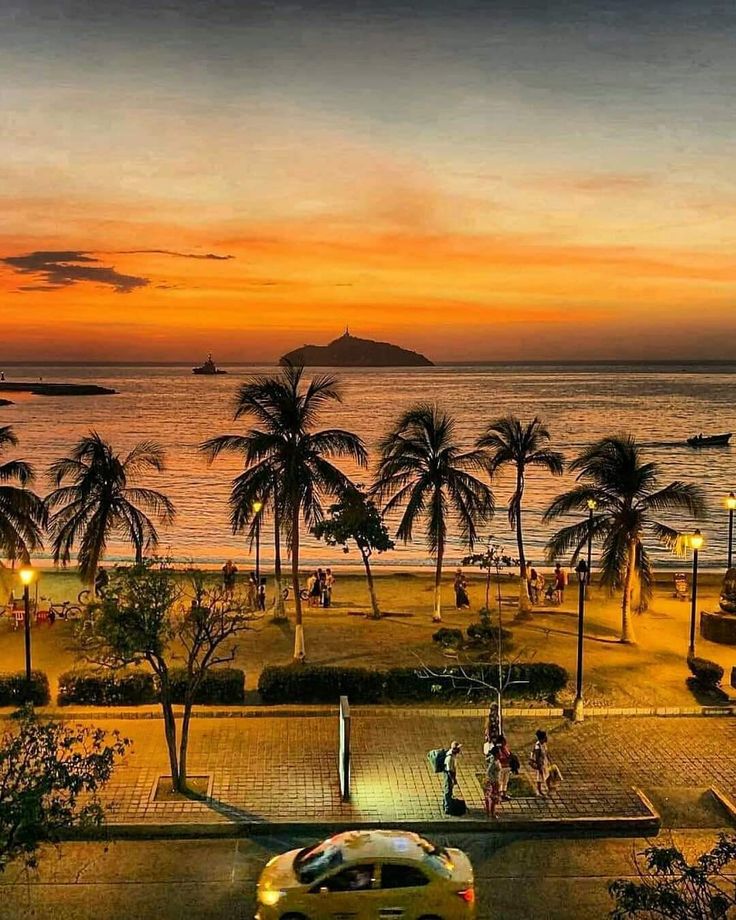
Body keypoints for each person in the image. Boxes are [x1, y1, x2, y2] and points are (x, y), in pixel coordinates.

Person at [443, 740, 462, 813]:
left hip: (451, 775)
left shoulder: (453, 755)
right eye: (458, 749)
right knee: (448, 790)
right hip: (449, 776)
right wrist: (453, 779)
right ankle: (447, 807)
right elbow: (449, 771)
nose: (459, 750)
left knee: (449, 791)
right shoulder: (449, 758)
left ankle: (447, 804)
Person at [531, 729, 550, 796]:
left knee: (547, 775)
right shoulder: (538, 746)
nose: (547, 738)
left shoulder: (543, 744)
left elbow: (546, 753)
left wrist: (549, 760)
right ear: (542, 738)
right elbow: (537, 757)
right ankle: (539, 791)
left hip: (544, 762)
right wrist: (539, 767)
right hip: (540, 764)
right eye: (545, 737)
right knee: (539, 777)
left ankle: (548, 788)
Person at [494, 733, 513, 801]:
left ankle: (504, 794)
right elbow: (501, 758)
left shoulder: (505, 747)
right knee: (500, 781)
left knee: (505, 781)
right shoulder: (498, 748)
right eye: (504, 740)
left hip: (507, 767)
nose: (505, 741)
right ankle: (499, 795)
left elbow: (509, 755)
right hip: (502, 767)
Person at [485, 745, 501, 819]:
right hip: (493, 782)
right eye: (499, 752)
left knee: (490, 797)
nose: (500, 753)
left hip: (494, 780)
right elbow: (488, 772)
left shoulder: (494, 759)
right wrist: (493, 781)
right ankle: (492, 813)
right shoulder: (493, 762)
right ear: (496, 754)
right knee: (493, 798)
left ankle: (489, 812)